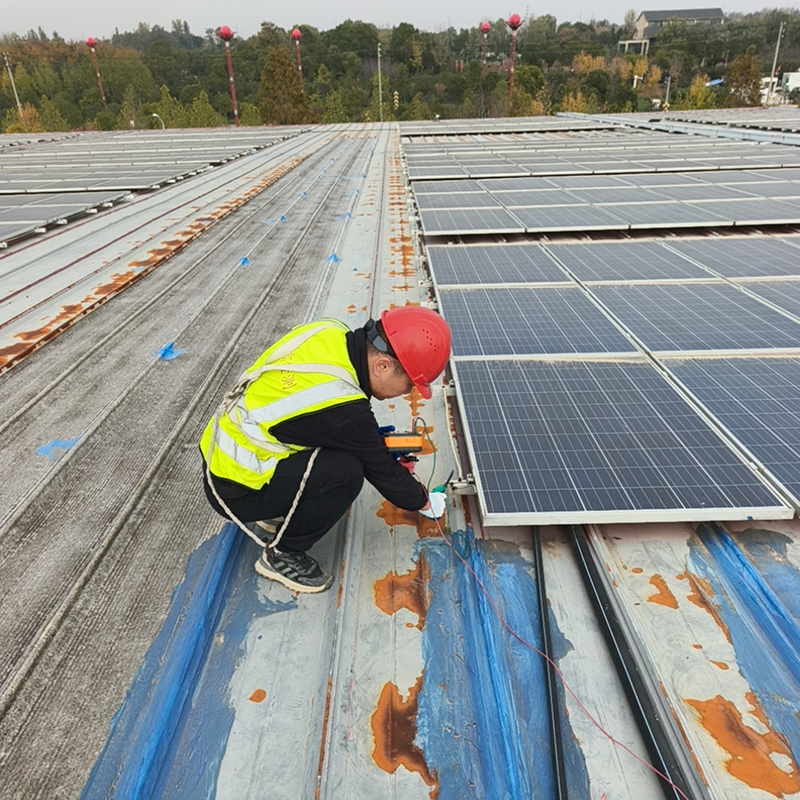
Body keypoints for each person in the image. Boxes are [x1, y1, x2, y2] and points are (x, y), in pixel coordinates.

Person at [200, 306, 452, 594]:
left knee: (344, 456)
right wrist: (425, 502)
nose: (409, 392)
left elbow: (311, 420)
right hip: (235, 489)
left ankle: (280, 509)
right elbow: (385, 474)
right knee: (345, 474)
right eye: (409, 384)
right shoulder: (344, 408)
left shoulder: (331, 331)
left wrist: (367, 440)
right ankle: (283, 554)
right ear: (382, 365)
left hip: (225, 455)